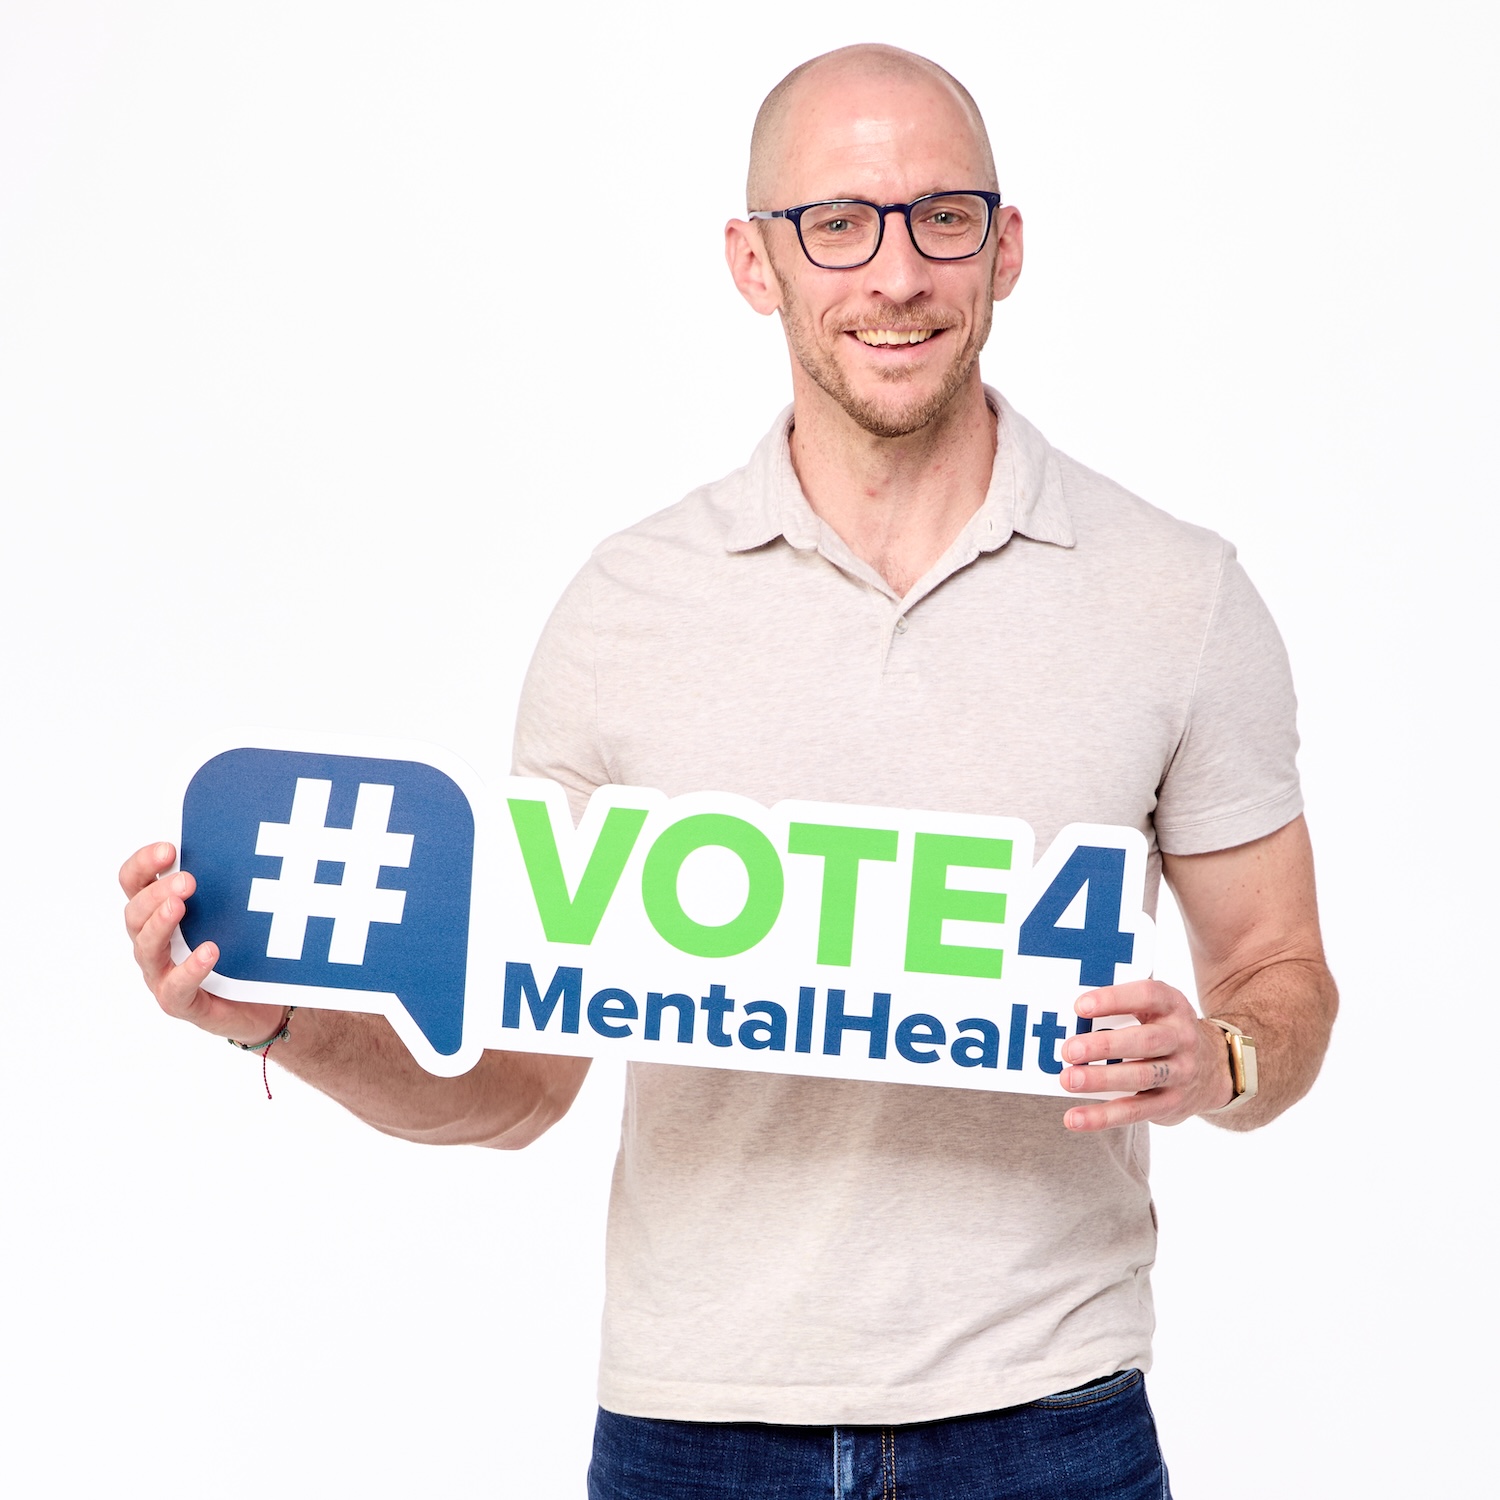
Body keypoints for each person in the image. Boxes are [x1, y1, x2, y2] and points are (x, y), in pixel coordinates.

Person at [121, 43, 1338, 1499]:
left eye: (940, 215)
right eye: (836, 222)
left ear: (1005, 246)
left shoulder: (1178, 595)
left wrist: (1220, 1060)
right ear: (754, 264)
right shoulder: (627, 610)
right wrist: (290, 1028)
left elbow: (1283, 973)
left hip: (1049, 1418)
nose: (894, 272)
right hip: (692, 1436)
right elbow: (520, 1083)